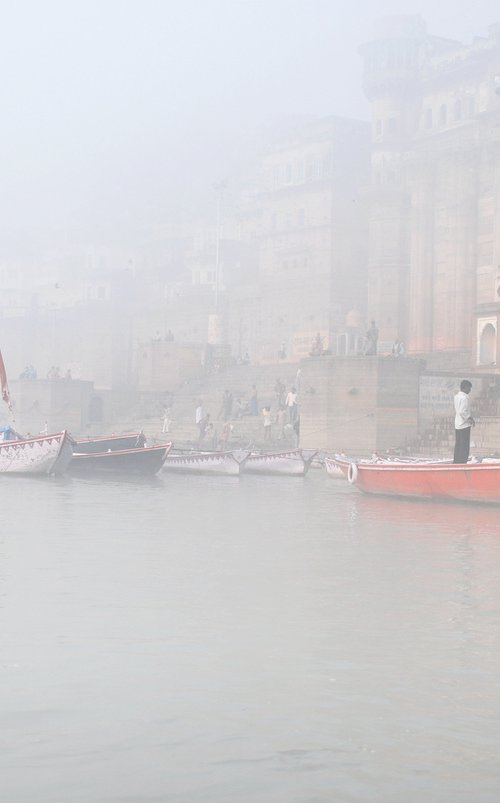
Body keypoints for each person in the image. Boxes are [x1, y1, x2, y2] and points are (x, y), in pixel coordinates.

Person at [454, 379, 474, 464]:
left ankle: (457, 461)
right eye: (469, 388)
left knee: (458, 444)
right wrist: (470, 418)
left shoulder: (456, 396)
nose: (470, 390)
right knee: (464, 445)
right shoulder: (465, 398)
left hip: (457, 423)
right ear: (465, 387)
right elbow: (463, 411)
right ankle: (462, 462)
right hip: (464, 424)